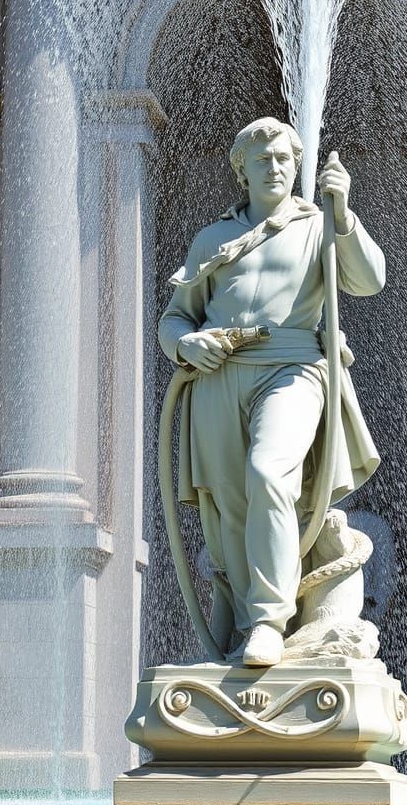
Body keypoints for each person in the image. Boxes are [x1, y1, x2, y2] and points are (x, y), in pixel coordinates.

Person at [159, 118, 384, 667]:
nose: (276, 168)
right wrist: (187, 345)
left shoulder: (318, 227)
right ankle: (242, 628)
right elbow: (174, 319)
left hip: (292, 366)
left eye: (284, 158)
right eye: (263, 160)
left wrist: (345, 213)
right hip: (217, 375)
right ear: (242, 170)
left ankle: (268, 619)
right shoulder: (213, 240)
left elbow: (369, 279)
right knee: (230, 505)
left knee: (268, 471)